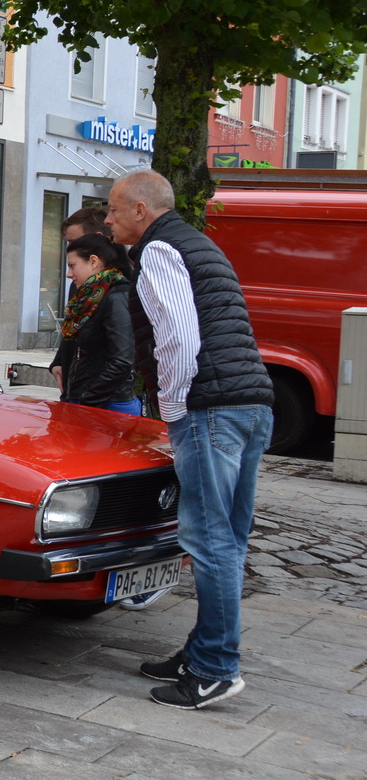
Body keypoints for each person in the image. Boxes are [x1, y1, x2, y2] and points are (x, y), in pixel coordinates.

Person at [106, 168, 273, 710]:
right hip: (251, 403)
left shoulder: (158, 250)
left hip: (210, 408)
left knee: (209, 540)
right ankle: (203, 652)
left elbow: (179, 337)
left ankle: (215, 669)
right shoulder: (198, 243)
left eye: (113, 210)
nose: (107, 220)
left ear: (140, 210)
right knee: (229, 539)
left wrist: (175, 408)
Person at [50, 234, 138, 415]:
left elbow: (122, 361)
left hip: (108, 405)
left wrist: (88, 400)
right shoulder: (89, 298)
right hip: (87, 399)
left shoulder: (116, 297)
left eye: (72, 265)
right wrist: (58, 364)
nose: (69, 274)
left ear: (93, 261)